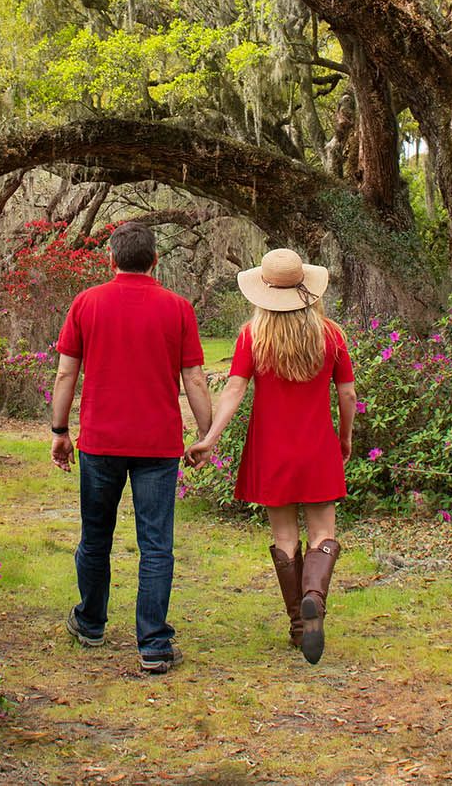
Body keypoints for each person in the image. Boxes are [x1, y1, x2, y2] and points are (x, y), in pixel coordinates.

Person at [48, 222, 212, 675]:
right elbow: (194, 378)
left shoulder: (87, 303)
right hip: (158, 445)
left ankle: (91, 622)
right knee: (156, 544)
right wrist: (205, 435)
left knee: (95, 536)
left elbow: (66, 374)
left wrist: (60, 429)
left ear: (112, 259)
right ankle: (154, 644)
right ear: (155, 261)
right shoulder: (178, 309)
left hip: (101, 442)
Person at [184, 247, 355, 665]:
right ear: (307, 289)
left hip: (272, 449)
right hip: (317, 446)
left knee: (284, 539)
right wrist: (345, 438)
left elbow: (234, 390)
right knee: (323, 534)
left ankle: (300, 625)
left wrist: (209, 438)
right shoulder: (331, 335)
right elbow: (347, 393)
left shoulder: (253, 337)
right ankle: (314, 597)